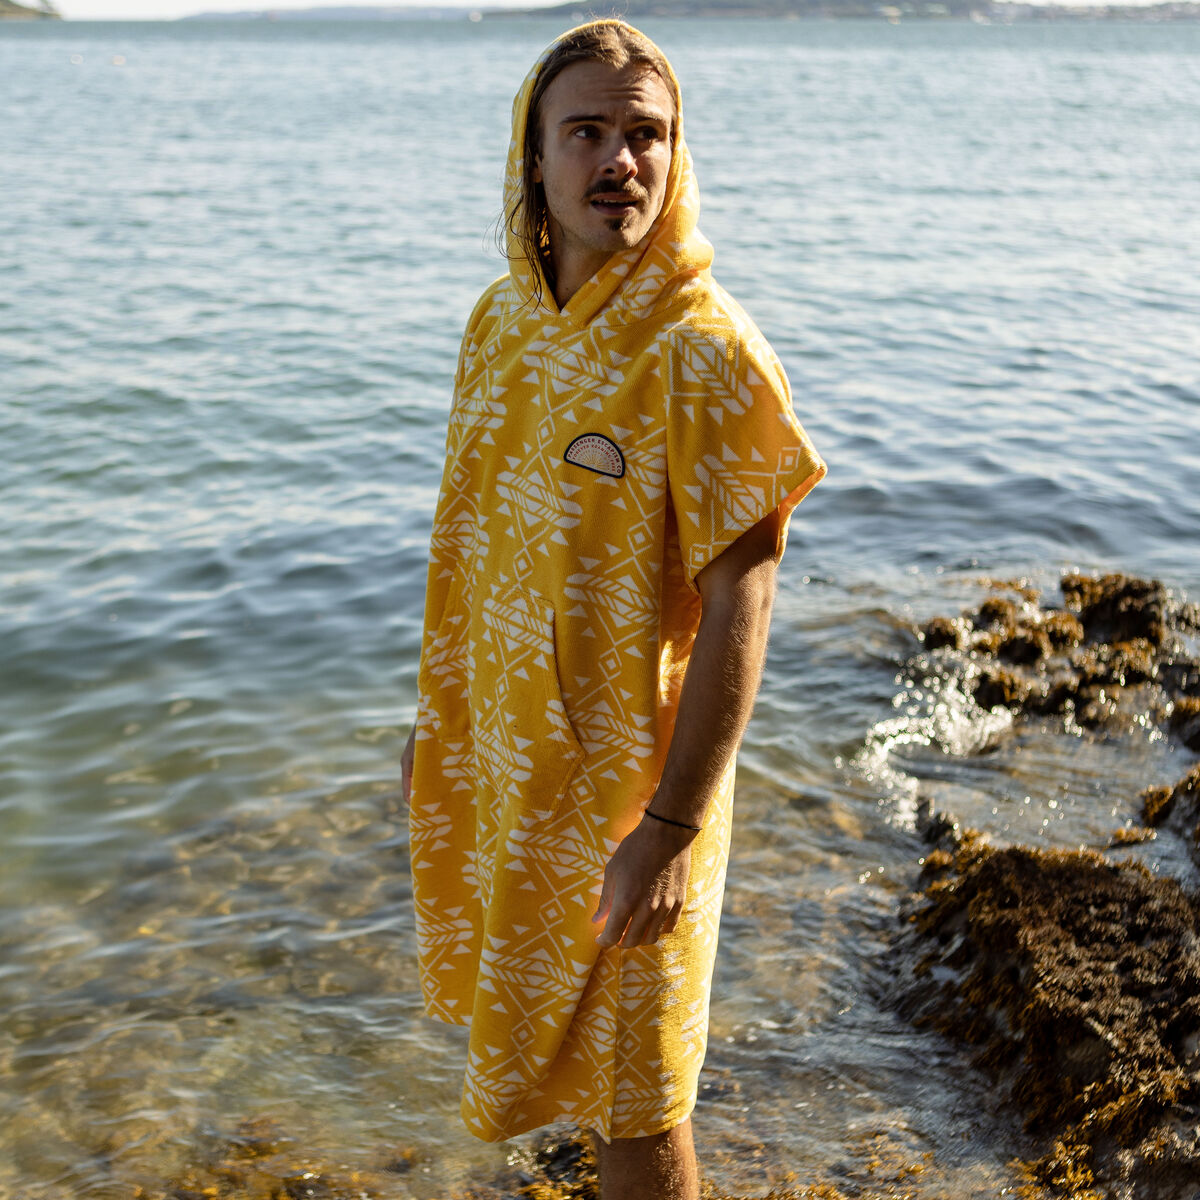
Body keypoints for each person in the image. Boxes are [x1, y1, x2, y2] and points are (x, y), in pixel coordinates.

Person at [400, 20, 825, 1200]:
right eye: (585, 131)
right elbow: (471, 549)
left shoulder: (705, 352)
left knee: (640, 1097)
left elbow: (744, 601)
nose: (619, 161)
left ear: (677, 156)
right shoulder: (500, 326)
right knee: (563, 1066)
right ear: (533, 159)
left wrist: (672, 826)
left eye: (647, 134)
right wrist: (438, 724)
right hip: (508, 768)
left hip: (635, 794)